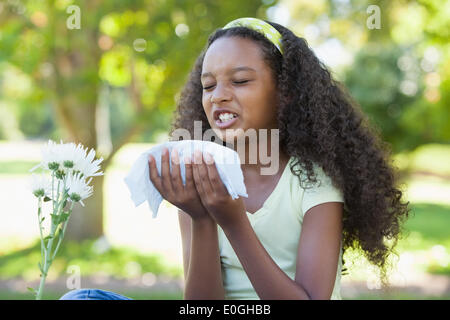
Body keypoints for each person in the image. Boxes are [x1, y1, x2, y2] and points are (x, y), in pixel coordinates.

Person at [60, 17, 410, 300]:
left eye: (240, 81)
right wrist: (200, 219)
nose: (218, 96)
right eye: (208, 85)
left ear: (286, 93)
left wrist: (233, 221)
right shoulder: (200, 175)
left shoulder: (314, 184)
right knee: (81, 299)